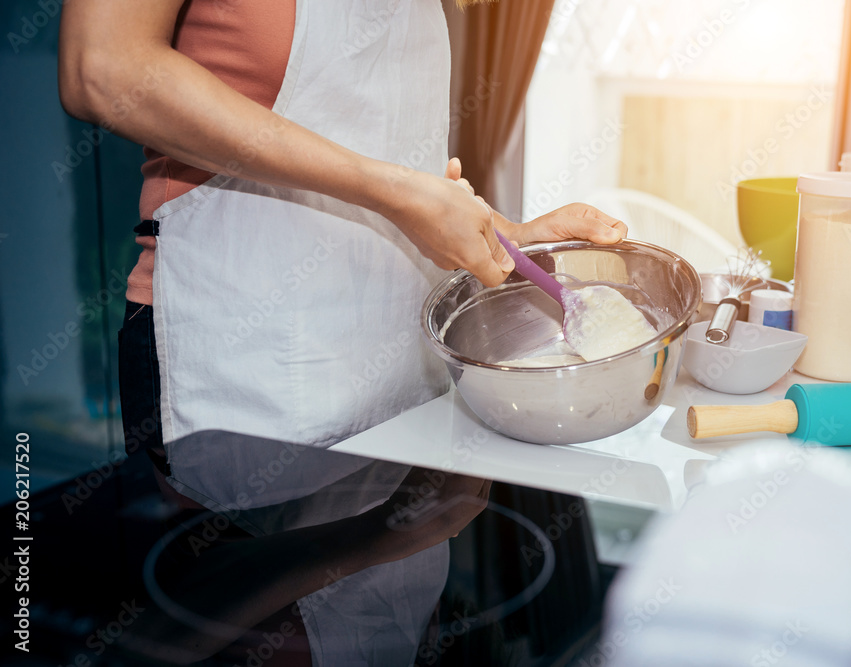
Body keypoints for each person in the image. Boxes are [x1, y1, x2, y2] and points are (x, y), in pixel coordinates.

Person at [58, 0, 628, 469]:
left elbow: (369, 138)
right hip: (241, 360)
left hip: (404, 377)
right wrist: (396, 192)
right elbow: (102, 69)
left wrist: (505, 237)